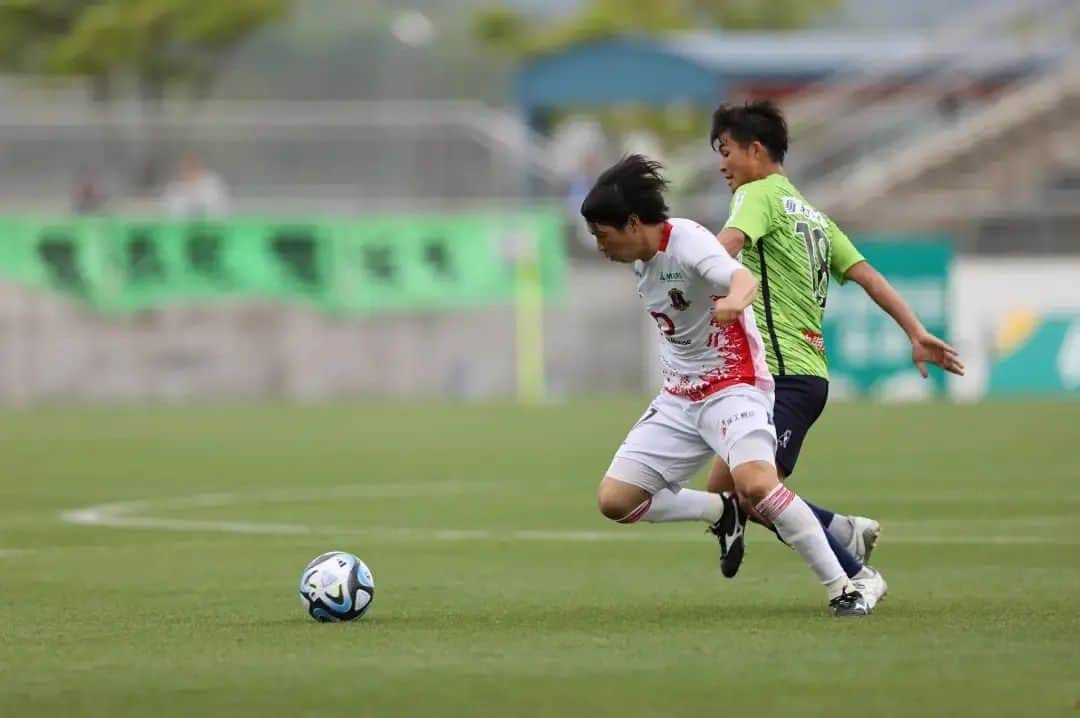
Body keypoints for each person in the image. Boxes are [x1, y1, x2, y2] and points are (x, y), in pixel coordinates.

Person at [581, 154, 871, 617]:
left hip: (734, 387)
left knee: (757, 484)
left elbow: (740, 276)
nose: (599, 245)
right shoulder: (641, 261)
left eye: (603, 234)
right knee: (615, 500)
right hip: (679, 396)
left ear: (633, 223)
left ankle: (848, 585)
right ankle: (720, 511)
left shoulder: (689, 240)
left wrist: (735, 302)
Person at [706, 100, 965, 602]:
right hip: (802, 375)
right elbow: (866, 274)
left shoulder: (756, 195)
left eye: (726, 150)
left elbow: (720, 251)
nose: (722, 164)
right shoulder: (815, 217)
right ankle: (841, 528)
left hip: (783, 377)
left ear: (756, 151)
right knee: (724, 489)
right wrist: (914, 331)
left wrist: (679, 281)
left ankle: (855, 576)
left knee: (754, 494)